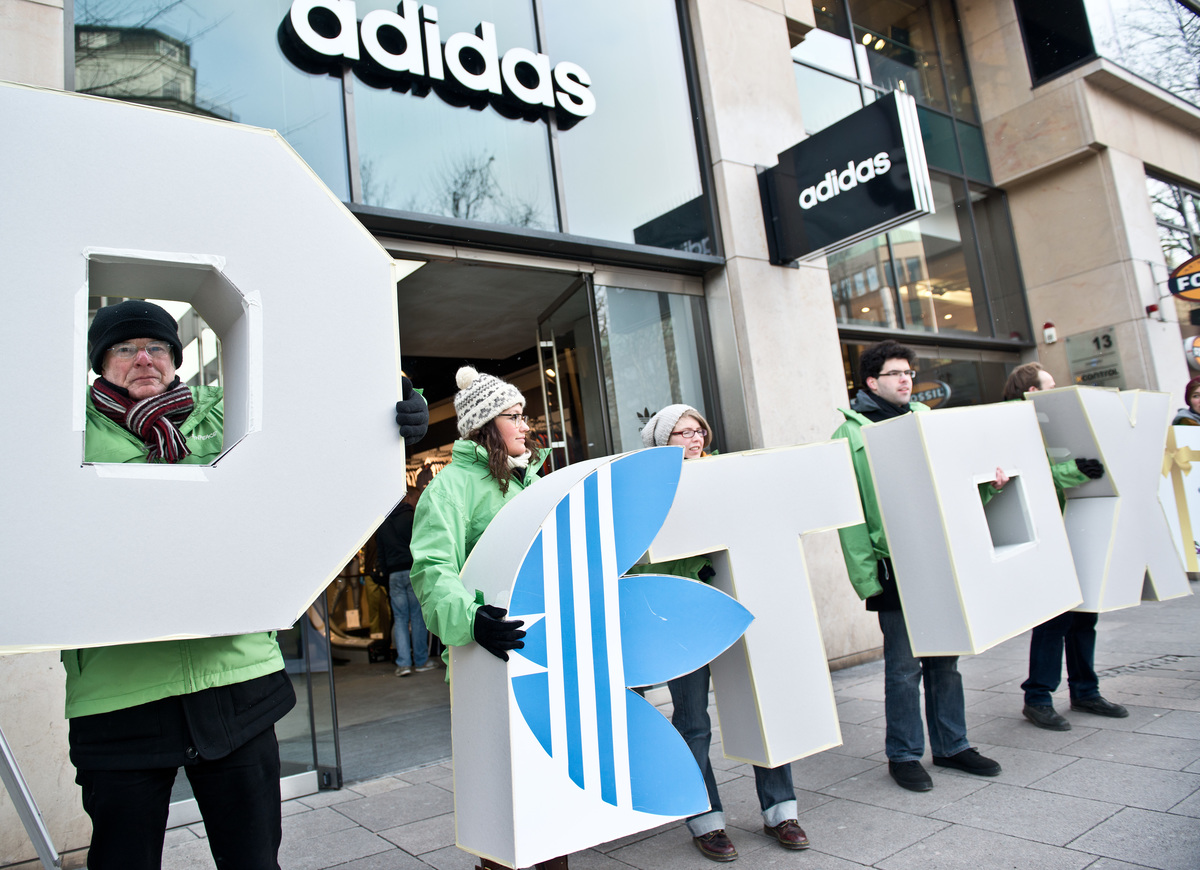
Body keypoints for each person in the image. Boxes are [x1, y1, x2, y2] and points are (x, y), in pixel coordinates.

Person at [67, 299, 429, 870]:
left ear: (175, 360)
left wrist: (390, 422)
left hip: (234, 682)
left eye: (157, 347)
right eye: (124, 348)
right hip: (120, 692)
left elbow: (317, 436)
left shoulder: (222, 415)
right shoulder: (64, 431)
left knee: (254, 861)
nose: (143, 358)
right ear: (99, 363)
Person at [627, 405, 807, 862]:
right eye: (681, 433)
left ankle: (780, 811)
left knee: (760, 706)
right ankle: (706, 820)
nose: (694, 439)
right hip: (682, 618)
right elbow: (645, 562)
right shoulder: (646, 493)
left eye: (698, 430)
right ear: (659, 444)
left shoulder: (730, 477)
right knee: (692, 720)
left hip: (738, 606)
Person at [409, 366, 567, 870]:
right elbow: (434, 574)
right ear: (484, 426)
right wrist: (474, 621)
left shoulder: (531, 480)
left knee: (550, 800)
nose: (526, 426)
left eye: (525, 416)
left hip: (544, 654)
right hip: (489, 659)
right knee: (502, 803)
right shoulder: (450, 489)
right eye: (514, 417)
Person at [832, 340, 1002, 792]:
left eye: (909, 371)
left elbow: (956, 484)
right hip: (893, 566)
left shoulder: (927, 420)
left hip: (939, 558)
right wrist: (868, 577)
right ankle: (903, 754)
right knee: (904, 667)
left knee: (946, 659)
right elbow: (849, 517)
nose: (907, 379)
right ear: (872, 382)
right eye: (896, 373)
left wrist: (989, 486)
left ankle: (952, 745)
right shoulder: (849, 435)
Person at [1002, 362, 1127, 729]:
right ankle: (1038, 696)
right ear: (1033, 391)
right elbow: (1026, 475)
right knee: (1053, 619)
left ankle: (1086, 691)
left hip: (1077, 529)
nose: (1059, 390)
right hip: (1046, 534)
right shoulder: (1012, 427)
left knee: (1085, 615)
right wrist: (1074, 470)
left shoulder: (1057, 423)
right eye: (1050, 385)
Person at [377, 466, 437, 676]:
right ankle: (420, 660)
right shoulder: (412, 518)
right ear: (409, 499)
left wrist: (385, 573)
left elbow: (380, 554)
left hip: (393, 574)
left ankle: (403, 663)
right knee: (417, 617)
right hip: (412, 571)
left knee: (400, 619)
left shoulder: (383, 522)